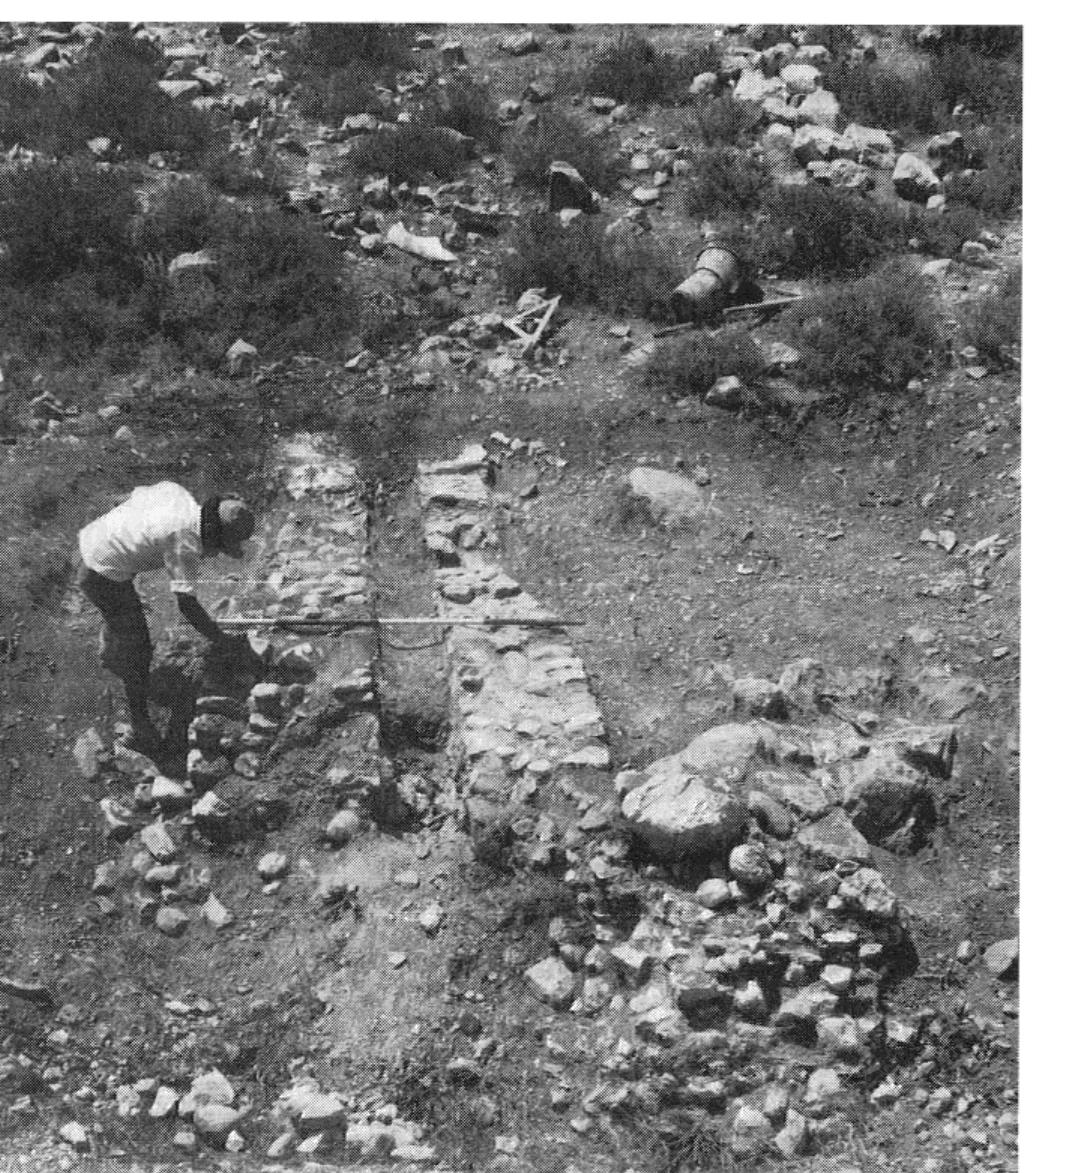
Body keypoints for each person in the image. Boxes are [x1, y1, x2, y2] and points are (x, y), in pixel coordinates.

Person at [76, 483, 255, 753]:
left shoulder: (177, 494)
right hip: (101, 572)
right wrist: (222, 640)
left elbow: (128, 498)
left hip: (92, 539)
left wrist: (126, 540)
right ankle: (140, 728)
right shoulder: (184, 542)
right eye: (219, 546)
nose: (216, 553)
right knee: (139, 649)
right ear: (212, 531)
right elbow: (187, 605)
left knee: (123, 616)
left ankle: (113, 639)